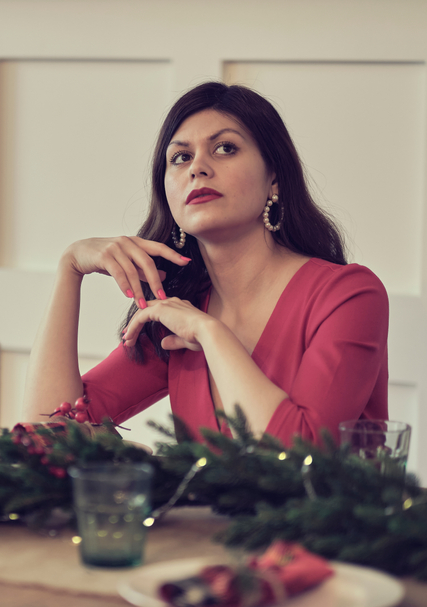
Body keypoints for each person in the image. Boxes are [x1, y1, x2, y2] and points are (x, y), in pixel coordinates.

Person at [23, 82, 388, 446]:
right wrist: (69, 269)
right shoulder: (182, 307)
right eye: (180, 157)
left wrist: (209, 333)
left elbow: (301, 453)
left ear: (274, 176)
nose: (197, 167)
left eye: (225, 148)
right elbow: (50, 431)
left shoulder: (350, 295)